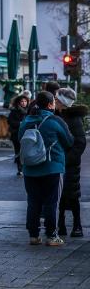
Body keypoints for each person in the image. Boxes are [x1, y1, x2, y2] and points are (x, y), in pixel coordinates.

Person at [18, 91, 74, 246]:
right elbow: (69, 141)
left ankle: (33, 236)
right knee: (51, 202)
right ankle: (51, 236)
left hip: (30, 168)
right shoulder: (55, 121)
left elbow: (20, 139)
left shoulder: (26, 121)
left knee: (33, 202)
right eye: (54, 102)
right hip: (52, 167)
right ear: (50, 105)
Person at [56, 88, 86, 238]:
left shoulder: (74, 118)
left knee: (73, 195)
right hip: (58, 162)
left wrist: (66, 159)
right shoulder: (55, 115)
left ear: (63, 102)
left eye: (57, 99)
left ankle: (77, 225)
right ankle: (60, 224)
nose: (55, 101)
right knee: (59, 195)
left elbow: (80, 143)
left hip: (70, 164)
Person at [7, 92, 31, 176]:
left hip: (27, 134)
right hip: (16, 134)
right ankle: (20, 168)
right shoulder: (14, 111)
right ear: (18, 102)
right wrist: (20, 123)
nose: (24, 103)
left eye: (25, 101)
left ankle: (26, 167)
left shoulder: (29, 111)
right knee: (18, 151)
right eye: (22, 101)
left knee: (26, 152)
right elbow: (10, 121)